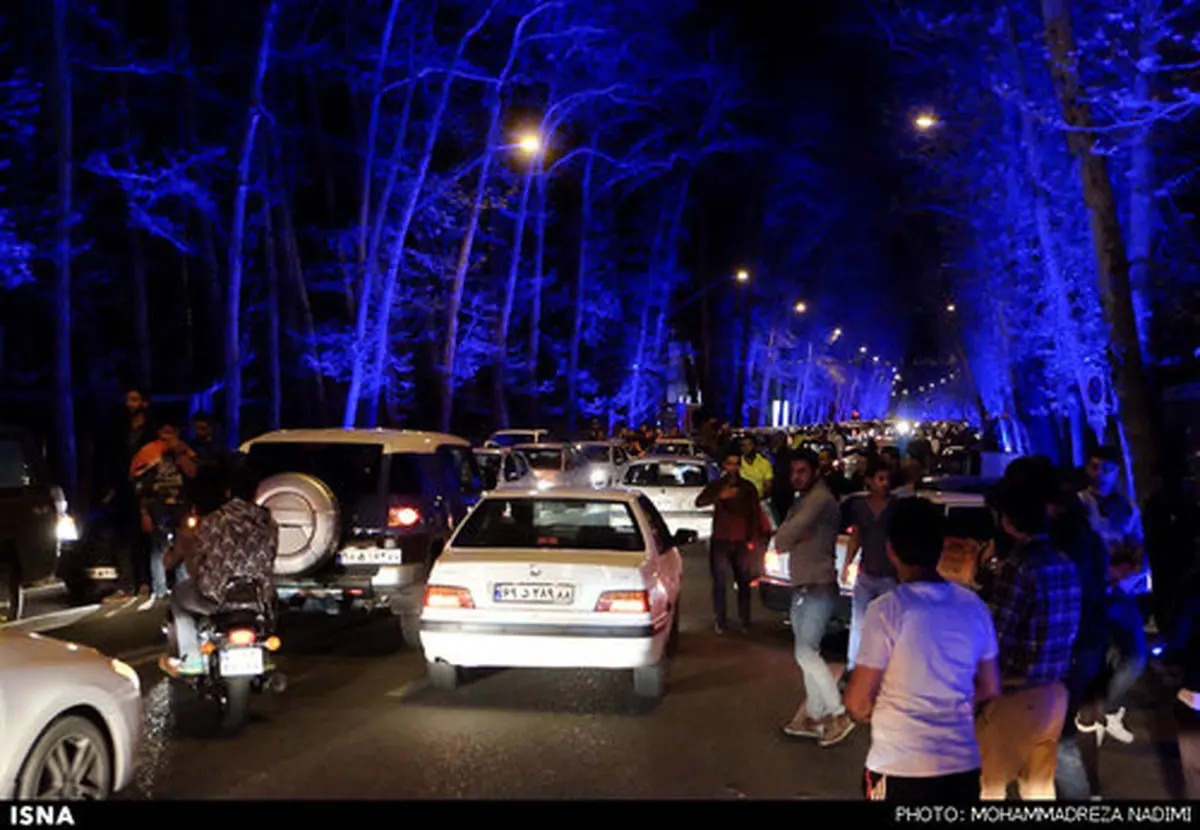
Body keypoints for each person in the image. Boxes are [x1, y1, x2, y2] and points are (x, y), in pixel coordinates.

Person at [845, 498, 1001, 802]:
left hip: (900, 764)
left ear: (891, 549)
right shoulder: (974, 607)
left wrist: (884, 711)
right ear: (941, 546)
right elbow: (990, 686)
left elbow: (858, 703)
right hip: (961, 765)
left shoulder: (887, 610)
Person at [977, 483, 1081, 800]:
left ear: (1008, 521)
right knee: (1038, 788)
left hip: (1016, 692)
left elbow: (999, 636)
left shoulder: (1019, 566)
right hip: (1055, 692)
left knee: (988, 787)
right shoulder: (1065, 562)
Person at [160, 467, 277, 675]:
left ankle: (191, 658)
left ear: (227, 493)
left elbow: (197, 558)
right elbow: (272, 554)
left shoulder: (213, 521)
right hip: (258, 596)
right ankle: (263, 654)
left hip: (218, 597)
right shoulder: (268, 521)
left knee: (179, 596)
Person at [777, 451, 854, 746]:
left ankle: (838, 713)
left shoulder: (819, 500)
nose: (796, 476)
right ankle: (813, 715)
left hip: (817, 585)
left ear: (815, 472)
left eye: (802, 471)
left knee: (806, 653)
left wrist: (792, 535)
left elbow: (782, 539)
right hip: (804, 585)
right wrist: (791, 534)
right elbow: (784, 537)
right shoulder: (802, 500)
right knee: (807, 652)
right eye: (793, 471)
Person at [1078, 446, 1147, 745]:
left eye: (1107, 469)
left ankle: (1103, 711)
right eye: (1095, 467)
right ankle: (1091, 716)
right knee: (1096, 659)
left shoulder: (1127, 508)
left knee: (1134, 656)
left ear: (1117, 472)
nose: (1101, 474)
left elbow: (1137, 550)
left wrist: (1126, 568)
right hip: (1088, 594)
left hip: (1120, 592)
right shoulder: (1078, 505)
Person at [695, 452, 763, 633]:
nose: (733, 468)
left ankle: (745, 620)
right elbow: (699, 502)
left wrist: (753, 540)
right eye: (730, 464)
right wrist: (720, 497)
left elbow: (755, 514)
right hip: (721, 540)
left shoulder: (748, 488)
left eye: (736, 464)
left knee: (743, 582)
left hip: (741, 540)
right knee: (719, 583)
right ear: (724, 466)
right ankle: (721, 620)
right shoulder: (717, 486)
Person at [842, 457, 899, 673]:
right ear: (869, 481)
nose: (884, 483)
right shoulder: (860, 506)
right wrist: (848, 563)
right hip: (867, 573)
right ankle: (853, 666)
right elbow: (856, 536)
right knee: (858, 622)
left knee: (890, 624)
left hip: (889, 575)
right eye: (880, 479)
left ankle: (887, 667)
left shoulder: (895, 507)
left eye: (887, 479)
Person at [131, 421, 197, 603]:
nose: (168, 435)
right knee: (158, 548)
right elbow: (139, 484)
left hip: (182, 506)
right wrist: (144, 512)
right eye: (164, 430)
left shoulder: (185, 450)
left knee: (183, 546)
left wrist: (180, 453)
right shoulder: (148, 452)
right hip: (157, 506)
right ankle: (160, 590)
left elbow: (194, 474)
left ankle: (183, 588)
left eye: (172, 431)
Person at [103, 387, 159, 599]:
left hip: (147, 490)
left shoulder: (152, 432)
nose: (129, 404)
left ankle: (145, 581)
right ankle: (126, 582)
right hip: (123, 491)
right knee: (122, 538)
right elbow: (112, 460)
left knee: (145, 538)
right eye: (127, 400)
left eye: (134, 400)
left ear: (144, 403)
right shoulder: (118, 430)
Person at [188, 412, 233, 515]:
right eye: (197, 428)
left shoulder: (220, 449)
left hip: (216, 495)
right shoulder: (190, 448)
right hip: (196, 496)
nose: (199, 432)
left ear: (210, 428)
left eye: (203, 428)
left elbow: (228, 471)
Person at [768, 432, 795, 521]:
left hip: (786, 490)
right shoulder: (771, 455)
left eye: (780, 440)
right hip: (776, 491)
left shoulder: (789, 455)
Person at [738, 434, 772, 498]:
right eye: (743, 445)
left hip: (759, 499)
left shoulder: (765, 463)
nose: (746, 448)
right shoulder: (737, 462)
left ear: (755, 446)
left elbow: (768, 486)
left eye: (749, 445)